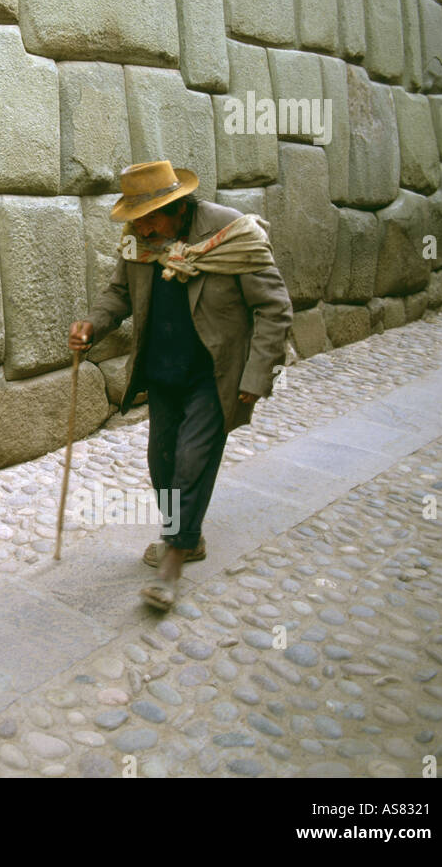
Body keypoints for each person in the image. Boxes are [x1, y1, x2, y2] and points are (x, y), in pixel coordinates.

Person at [68, 160, 293, 612]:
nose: (145, 230)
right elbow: (120, 293)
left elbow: (275, 308)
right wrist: (93, 323)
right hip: (163, 370)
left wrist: (256, 375)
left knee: (193, 459)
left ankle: (172, 563)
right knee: (163, 462)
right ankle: (188, 537)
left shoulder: (232, 233)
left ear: (177, 206)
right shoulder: (141, 239)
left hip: (215, 372)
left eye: (152, 218)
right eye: (138, 219)